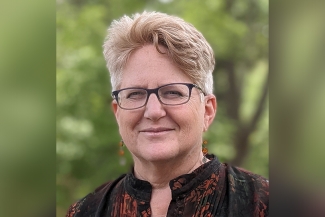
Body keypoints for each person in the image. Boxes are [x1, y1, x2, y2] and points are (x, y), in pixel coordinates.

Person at [66, 11, 269, 217]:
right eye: (135, 94)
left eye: (172, 92)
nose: (153, 112)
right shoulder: (85, 212)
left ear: (207, 111)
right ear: (118, 113)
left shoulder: (265, 203)